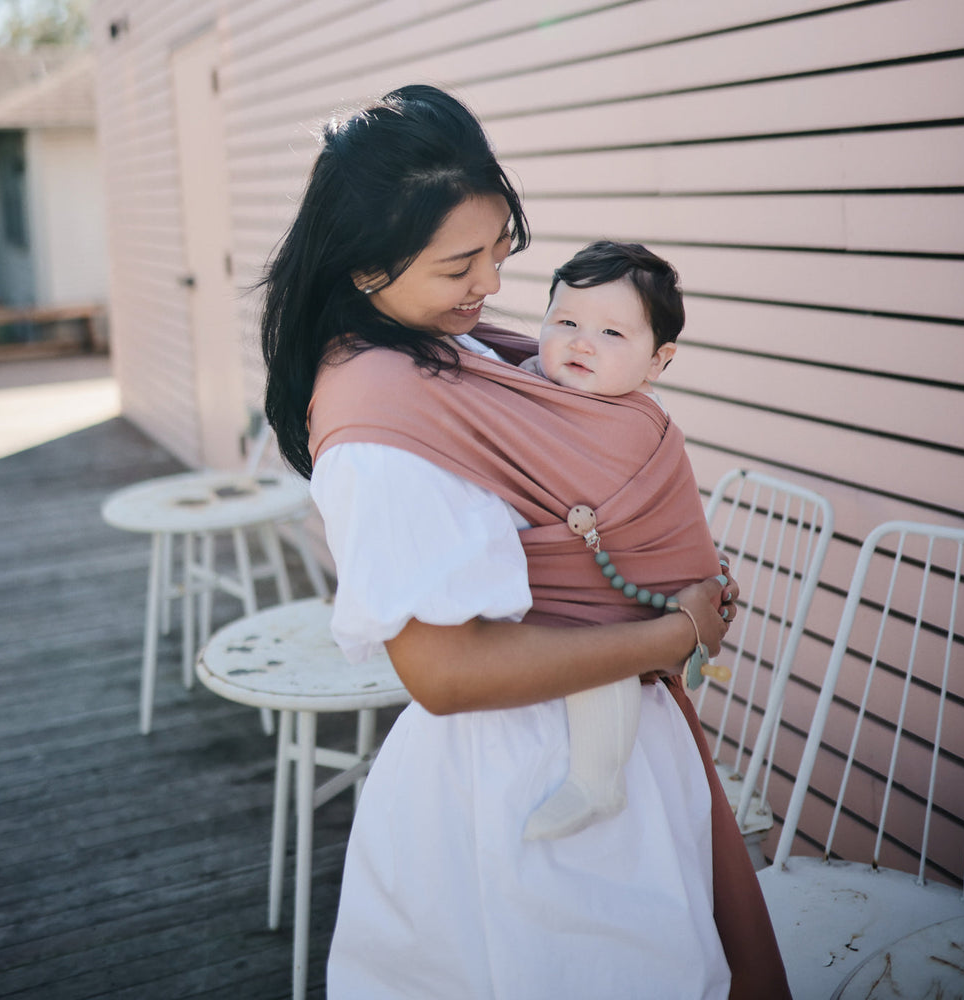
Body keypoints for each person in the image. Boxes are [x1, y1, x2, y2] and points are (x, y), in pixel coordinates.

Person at [260, 83, 790, 999]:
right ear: (363, 269)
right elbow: (445, 672)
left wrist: (663, 573)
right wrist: (676, 633)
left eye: (499, 252)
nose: (492, 286)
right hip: (524, 794)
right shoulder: (381, 436)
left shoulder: (443, 346)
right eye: (460, 263)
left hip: (605, 749)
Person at [518, 238, 732, 841]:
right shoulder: (522, 388)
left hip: (620, 594)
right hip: (539, 601)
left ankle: (597, 781)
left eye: (613, 334)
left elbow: (663, 515)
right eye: (565, 321)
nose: (582, 342)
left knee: (604, 651)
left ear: (657, 361)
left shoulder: (637, 424)